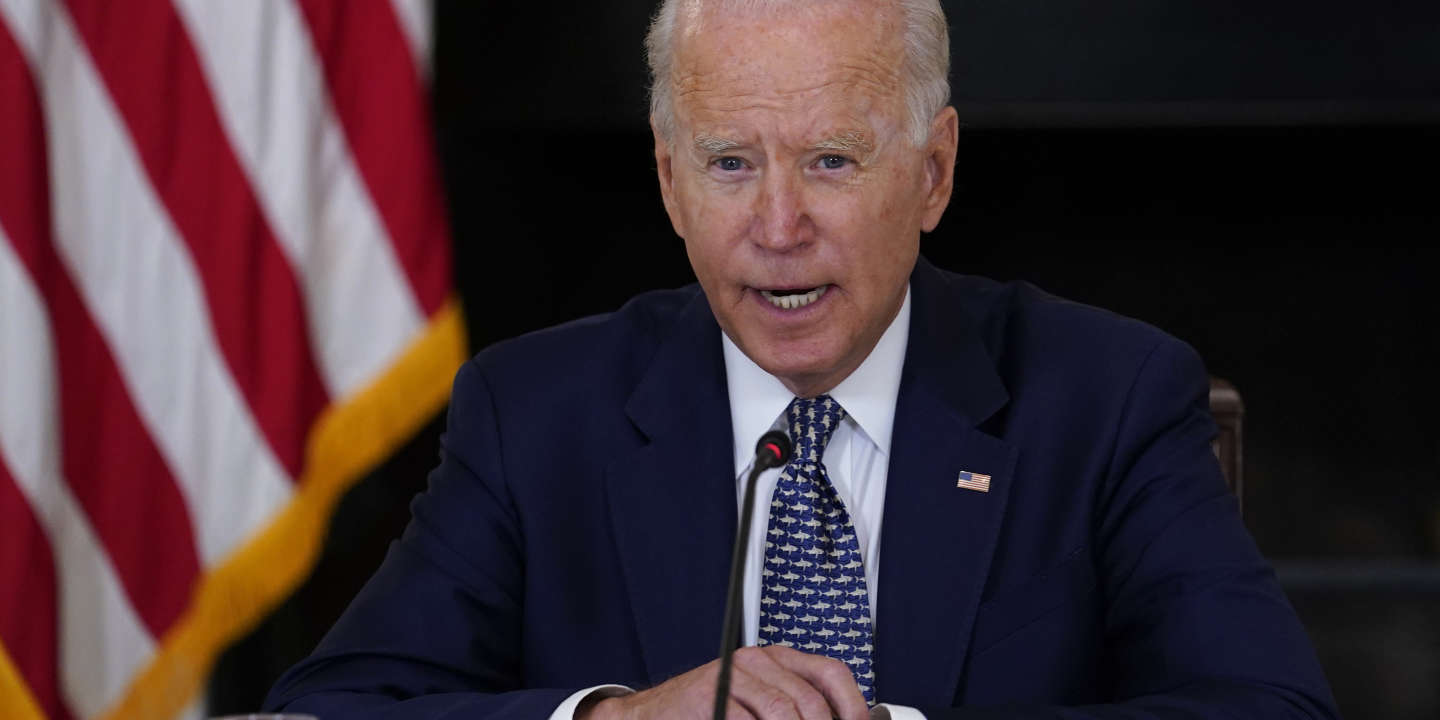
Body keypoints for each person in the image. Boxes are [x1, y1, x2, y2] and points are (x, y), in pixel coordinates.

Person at [266, 0, 1340, 718]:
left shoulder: (1106, 398)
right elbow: (333, 710)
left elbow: (1269, 707)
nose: (778, 227)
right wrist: (614, 717)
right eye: (730, 163)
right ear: (668, 177)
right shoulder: (535, 412)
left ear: (933, 172)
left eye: (831, 160)